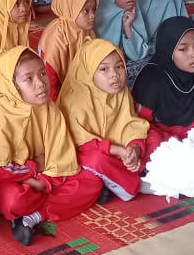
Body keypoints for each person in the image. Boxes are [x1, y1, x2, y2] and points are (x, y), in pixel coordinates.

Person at [0, 48, 102, 245]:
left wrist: (43, 181)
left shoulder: (50, 109)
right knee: (14, 199)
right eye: (29, 79)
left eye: (42, 73)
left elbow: (61, 158)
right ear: (12, 86)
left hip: (42, 180)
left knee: (91, 182)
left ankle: (31, 217)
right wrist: (34, 168)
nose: (41, 83)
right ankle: (32, 209)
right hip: (8, 182)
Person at [60, 39, 156, 202]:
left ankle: (114, 179)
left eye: (119, 66)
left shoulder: (120, 91)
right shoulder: (74, 101)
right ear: (88, 72)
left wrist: (134, 147)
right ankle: (138, 184)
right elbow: (81, 143)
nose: (115, 74)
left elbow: (130, 123)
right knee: (96, 160)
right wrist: (116, 150)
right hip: (90, 151)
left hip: (119, 149)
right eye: (104, 69)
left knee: (153, 135)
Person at [132, 17, 194, 144]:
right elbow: (140, 122)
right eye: (183, 49)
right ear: (168, 49)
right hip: (160, 133)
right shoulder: (152, 79)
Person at [90, 0, 149, 81]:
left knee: (150, 64)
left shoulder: (132, 11)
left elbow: (138, 55)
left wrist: (128, 29)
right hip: (105, 70)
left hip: (123, 66)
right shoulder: (92, 17)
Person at [38, 0, 97, 100]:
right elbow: (49, 75)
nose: (93, 16)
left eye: (94, 10)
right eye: (86, 11)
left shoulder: (86, 31)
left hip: (76, 85)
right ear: (71, 10)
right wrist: (54, 106)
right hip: (55, 90)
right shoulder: (56, 36)